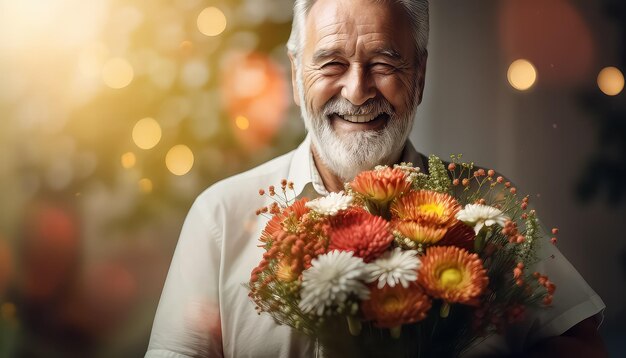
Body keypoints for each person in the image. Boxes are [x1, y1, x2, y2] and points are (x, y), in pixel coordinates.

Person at [146, 0, 607, 357]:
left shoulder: (489, 207)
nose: (357, 90)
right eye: (331, 64)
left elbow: (580, 345)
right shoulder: (221, 216)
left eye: (384, 64)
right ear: (294, 73)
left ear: (420, 74)